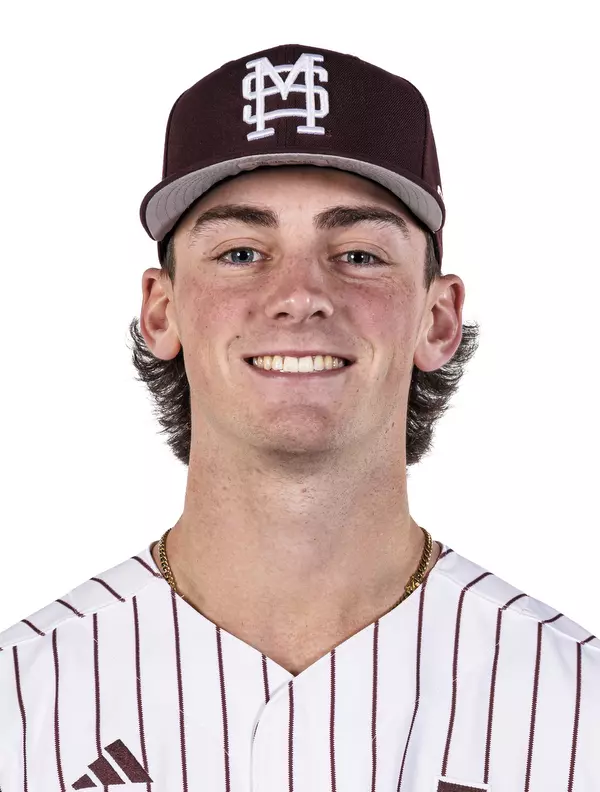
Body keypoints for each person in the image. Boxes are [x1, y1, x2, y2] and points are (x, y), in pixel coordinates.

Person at [0, 44, 598, 792]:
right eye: (243, 251)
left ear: (438, 319)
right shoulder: (20, 707)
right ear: (161, 309)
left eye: (358, 254)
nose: (300, 294)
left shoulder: (579, 710)